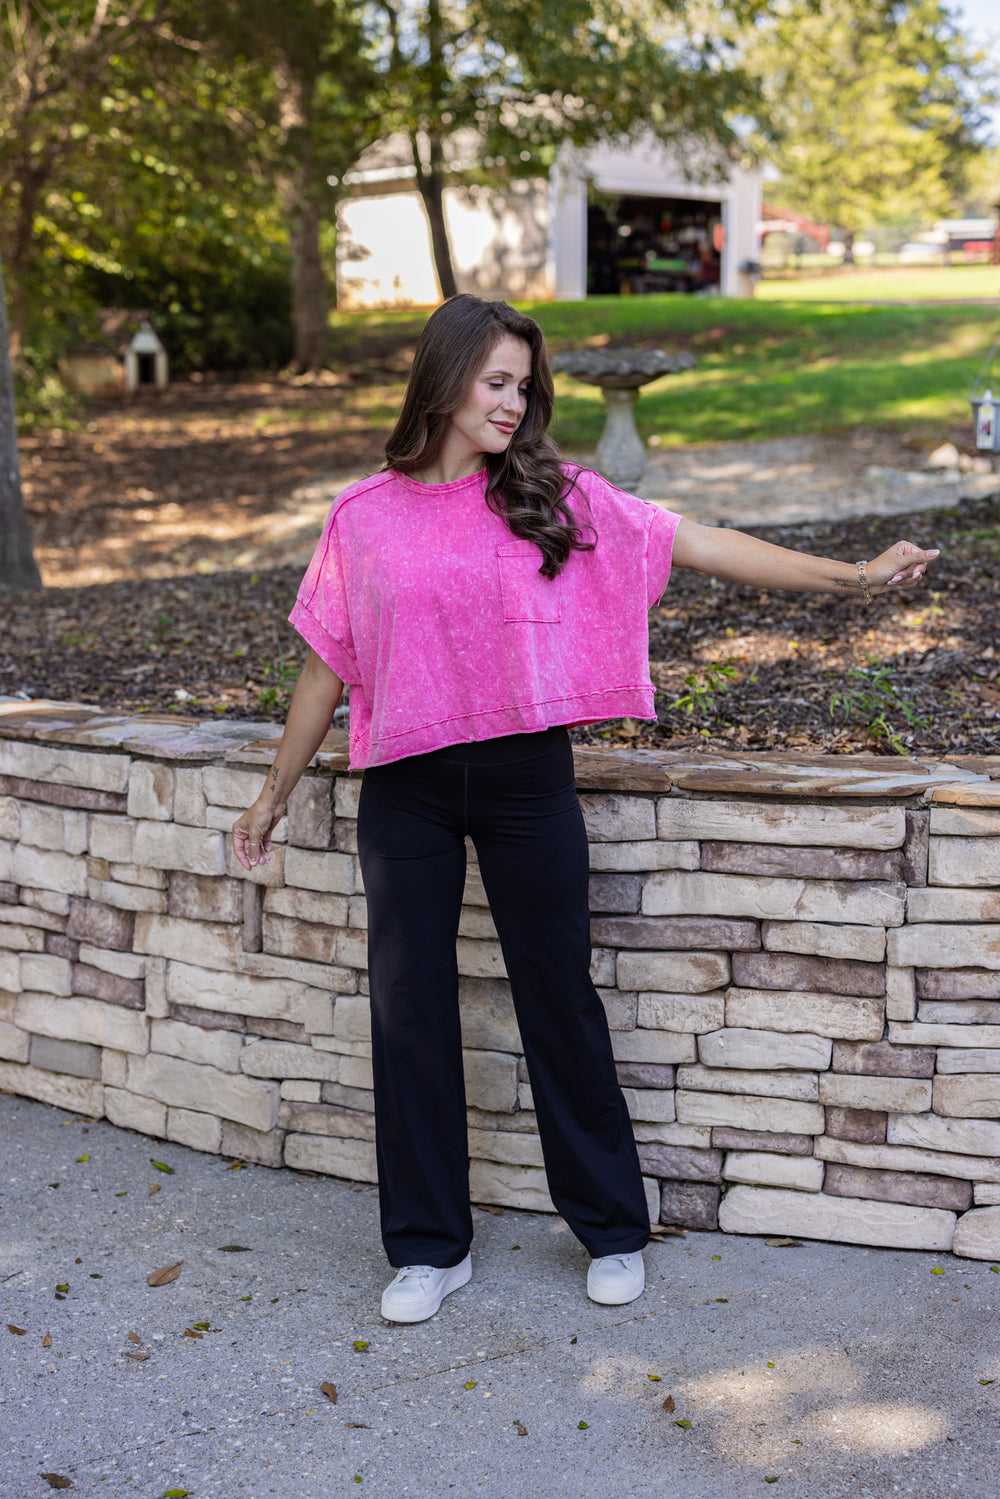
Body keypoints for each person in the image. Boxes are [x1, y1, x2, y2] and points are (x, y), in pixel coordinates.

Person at [232, 294, 939, 1325]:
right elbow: (322, 668)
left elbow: (702, 541)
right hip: (405, 786)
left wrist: (854, 577)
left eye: (525, 386)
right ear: (443, 378)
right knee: (408, 1010)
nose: (514, 403)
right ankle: (427, 1249)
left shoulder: (554, 495)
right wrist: (271, 795)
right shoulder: (362, 515)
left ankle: (610, 1228)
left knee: (558, 995)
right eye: (496, 382)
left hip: (526, 777)